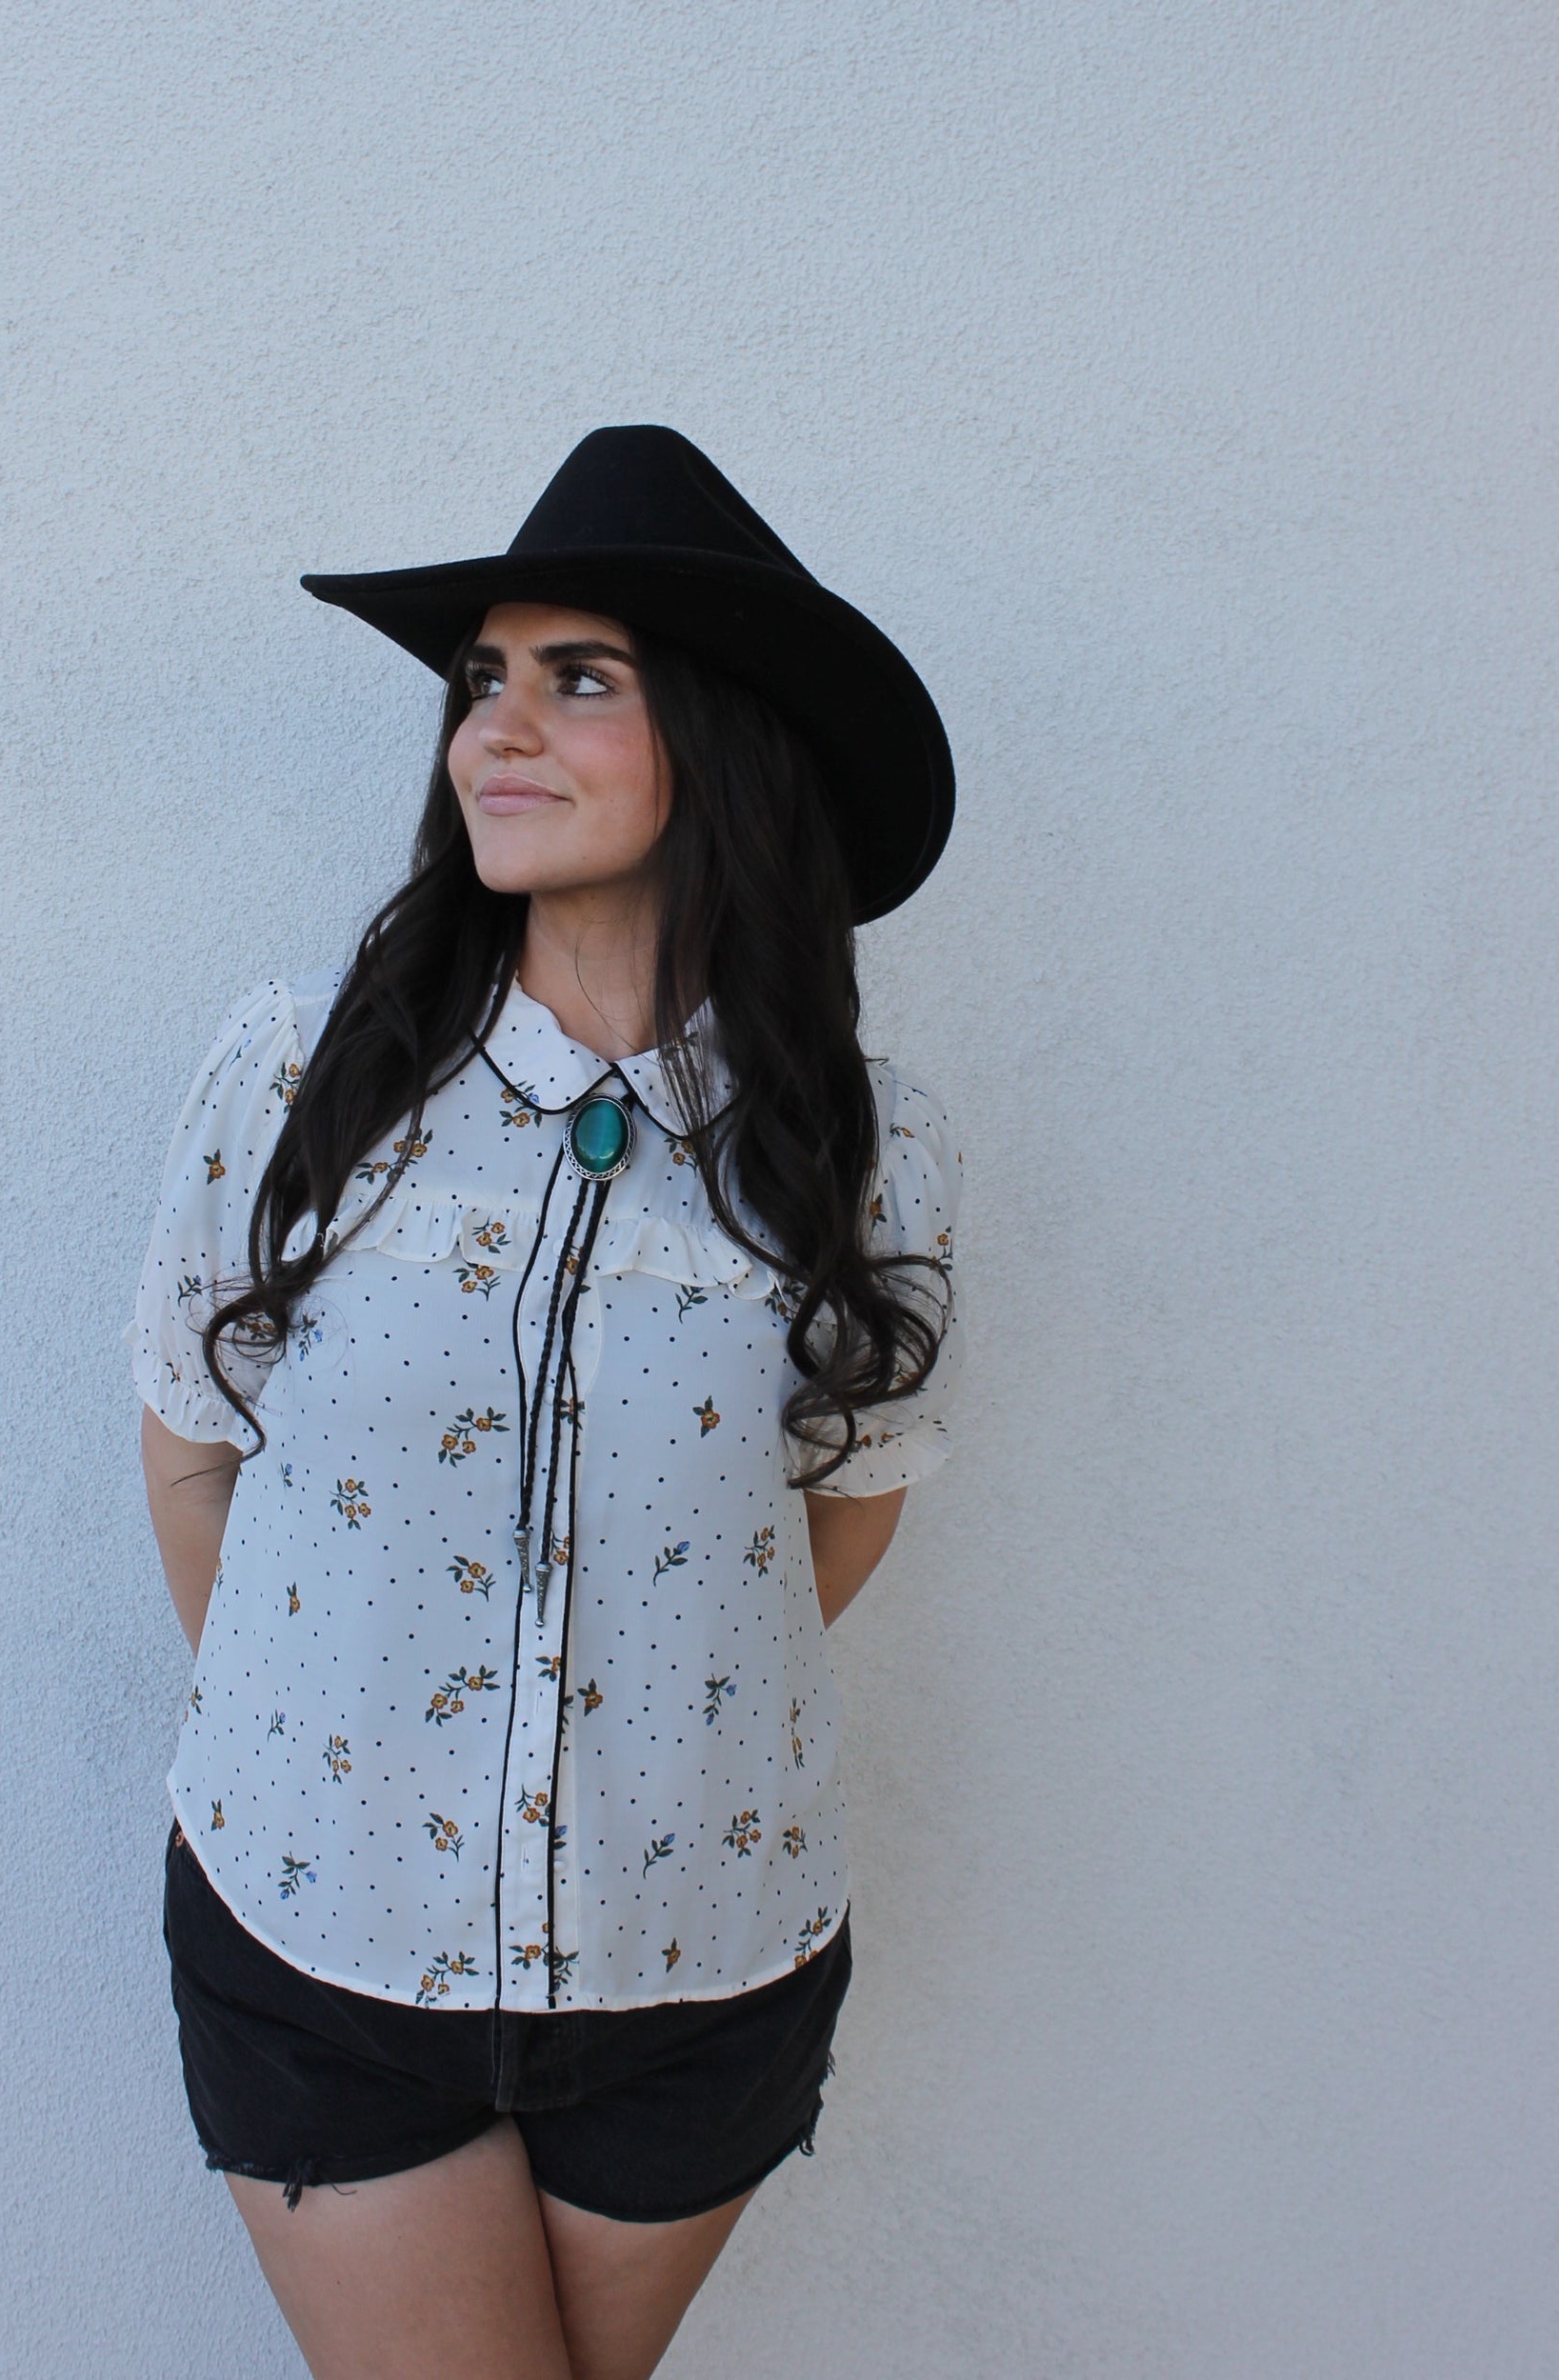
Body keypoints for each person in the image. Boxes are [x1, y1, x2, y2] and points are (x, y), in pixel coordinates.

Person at [127, 425, 962, 2380]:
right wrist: (346, 1748)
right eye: (481, 679)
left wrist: (636, 1716)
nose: (493, 729)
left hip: (702, 1958)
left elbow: (847, 1490)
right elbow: (192, 1444)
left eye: (577, 678)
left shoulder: (859, 1140)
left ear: (726, 742)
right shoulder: (300, 1071)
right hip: (320, 1942)